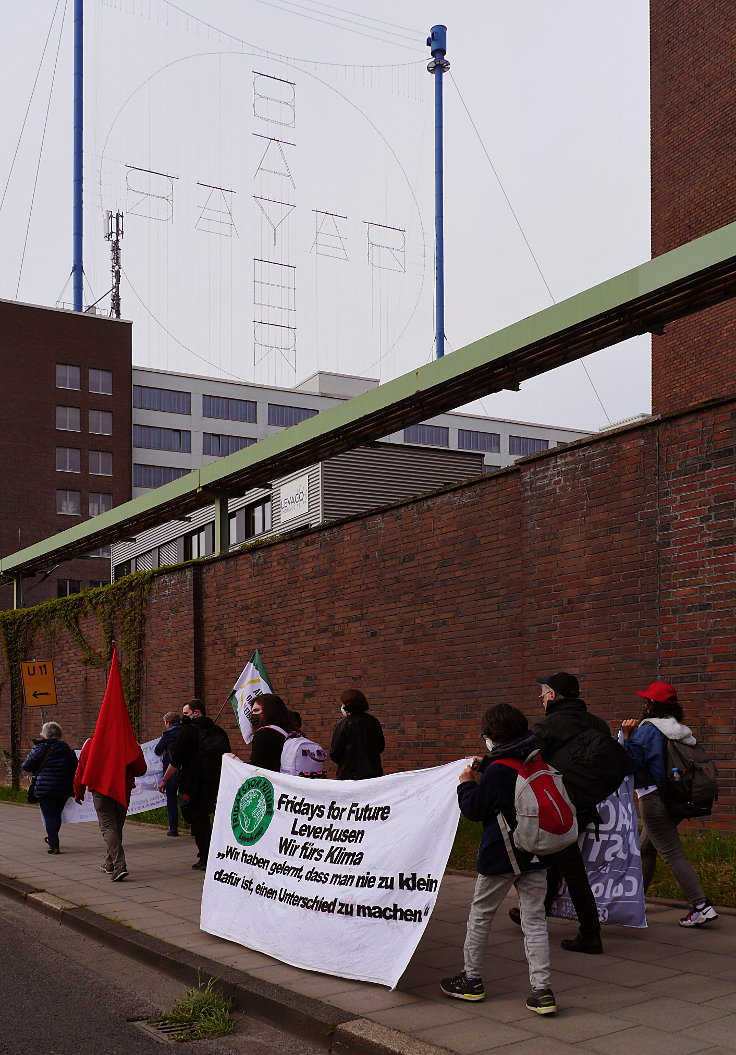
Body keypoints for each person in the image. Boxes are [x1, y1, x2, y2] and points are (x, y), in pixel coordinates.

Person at [440, 704, 556, 1015]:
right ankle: (542, 991)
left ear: (494, 735)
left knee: (481, 916)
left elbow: (474, 810)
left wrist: (466, 783)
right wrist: (487, 764)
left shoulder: (497, 770)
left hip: (501, 853)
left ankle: (472, 980)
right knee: (534, 922)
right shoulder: (535, 758)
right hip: (537, 851)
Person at [621, 681, 718, 927]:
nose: (643, 704)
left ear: (651, 704)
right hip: (674, 798)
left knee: (672, 853)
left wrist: (627, 738)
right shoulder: (678, 730)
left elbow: (630, 764)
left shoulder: (647, 730)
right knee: (646, 850)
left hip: (654, 800)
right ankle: (636, 903)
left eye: (646, 700)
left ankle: (701, 906)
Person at [527, 671, 607, 954]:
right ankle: (539, 910)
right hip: (586, 804)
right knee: (559, 860)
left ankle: (590, 933)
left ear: (553, 696)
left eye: (543, 694)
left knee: (570, 866)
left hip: (558, 805)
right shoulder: (597, 724)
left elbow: (529, 761)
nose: (541, 699)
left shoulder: (548, 726)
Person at [158, 699, 230, 870]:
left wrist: (164, 780)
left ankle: (205, 856)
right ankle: (216, 853)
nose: (183, 717)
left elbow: (176, 761)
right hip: (216, 781)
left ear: (196, 713)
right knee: (216, 819)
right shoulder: (218, 731)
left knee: (198, 821)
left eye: (185, 714)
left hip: (194, 783)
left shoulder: (188, 732)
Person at [74, 734, 147, 881]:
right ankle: (110, 863)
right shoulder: (128, 743)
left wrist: (78, 791)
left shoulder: (90, 744)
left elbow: (82, 768)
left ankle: (119, 864)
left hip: (101, 791)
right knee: (116, 827)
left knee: (108, 827)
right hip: (122, 790)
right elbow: (140, 769)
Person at [22, 722, 77, 854]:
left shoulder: (40, 748)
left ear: (46, 733)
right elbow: (74, 765)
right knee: (56, 814)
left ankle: (54, 844)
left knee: (50, 816)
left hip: (45, 788)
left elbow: (27, 766)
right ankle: (52, 839)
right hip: (63, 787)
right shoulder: (66, 748)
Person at [329, 689, 384, 779]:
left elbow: (335, 753)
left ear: (345, 705)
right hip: (373, 774)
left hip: (348, 775)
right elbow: (380, 746)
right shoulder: (373, 721)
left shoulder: (343, 724)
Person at [154, 711, 183, 836]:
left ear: (168, 723)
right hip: (186, 769)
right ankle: (195, 827)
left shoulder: (168, 734)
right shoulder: (186, 731)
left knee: (171, 799)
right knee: (189, 797)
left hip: (170, 771)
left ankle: (173, 829)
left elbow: (157, 750)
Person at [249, 693, 291, 771]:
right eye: (252, 712)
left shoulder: (263, 734)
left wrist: (235, 761)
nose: (253, 715)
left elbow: (257, 767)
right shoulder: (289, 732)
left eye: (257, 710)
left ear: (270, 711)